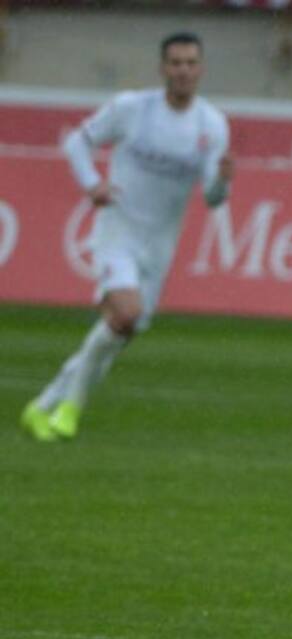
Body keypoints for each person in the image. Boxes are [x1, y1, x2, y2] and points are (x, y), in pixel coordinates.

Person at [19, 32, 232, 442]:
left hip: (160, 246)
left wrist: (222, 181)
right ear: (162, 68)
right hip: (118, 231)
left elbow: (211, 197)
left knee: (118, 334)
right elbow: (77, 142)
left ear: (201, 69)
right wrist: (91, 183)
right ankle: (71, 409)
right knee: (126, 314)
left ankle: (43, 405)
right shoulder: (133, 109)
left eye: (191, 63)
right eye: (176, 63)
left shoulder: (211, 125)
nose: (183, 71)